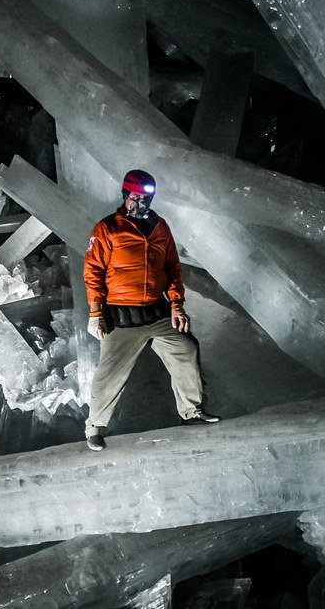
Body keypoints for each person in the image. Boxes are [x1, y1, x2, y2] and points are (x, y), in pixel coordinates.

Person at [82, 169, 219, 452]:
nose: (141, 204)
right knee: (110, 373)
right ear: (125, 196)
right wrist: (96, 313)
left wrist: (177, 306)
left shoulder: (160, 227)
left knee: (186, 348)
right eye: (136, 198)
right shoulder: (108, 228)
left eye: (146, 199)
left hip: (157, 312)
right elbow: (93, 272)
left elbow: (172, 268)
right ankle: (94, 428)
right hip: (121, 317)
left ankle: (192, 413)